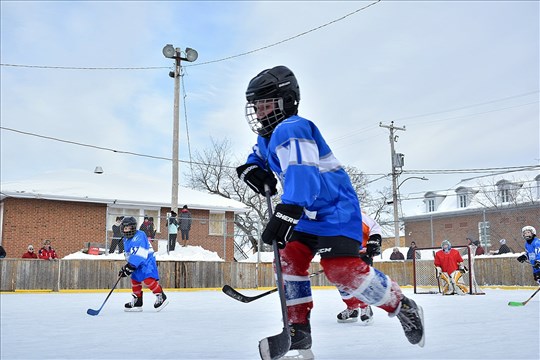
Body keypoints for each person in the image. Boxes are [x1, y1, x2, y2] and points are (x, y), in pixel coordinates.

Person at [236, 65, 425, 356]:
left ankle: (402, 305)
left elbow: (303, 174)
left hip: (334, 209)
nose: (260, 112)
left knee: (341, 271)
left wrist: (288, 210)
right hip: (304, 212)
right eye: (257, 106)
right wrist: (251, 169)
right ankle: (298, 330)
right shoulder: (267, 137)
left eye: (266, 104)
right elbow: (258, 156)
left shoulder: (293, 127)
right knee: (288, 260)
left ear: (286, 101)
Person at [336, 212, 382, 325]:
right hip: (342, 255)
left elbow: (374, 227)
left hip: (363, 254)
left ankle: (365, 307)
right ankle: (352, 309)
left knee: (361, 282)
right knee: (341, 284)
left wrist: (373, 242)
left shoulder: (355, 214)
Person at [119, 216, 169, 312]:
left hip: (146, 261)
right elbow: (129, 254)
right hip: (136, 262)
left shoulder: (140, 235)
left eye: (128, 228)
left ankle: (161, 296)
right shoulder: (126, 240)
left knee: (147, 279)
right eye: (124, 228)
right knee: (135, 280)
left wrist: (130, 266)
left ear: (133, 228)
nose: (126, 231)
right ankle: (137, 301)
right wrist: (126, 268)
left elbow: (140, 252)